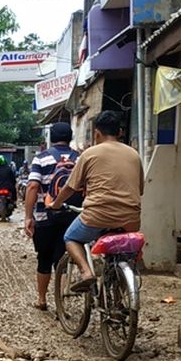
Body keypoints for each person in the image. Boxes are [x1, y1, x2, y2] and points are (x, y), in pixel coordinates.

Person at [49, 110, 144, 292]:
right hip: (131, 218)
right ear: (120, 132)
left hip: (97, 215)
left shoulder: (89, 154)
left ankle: (86, 272)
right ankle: (120, 300)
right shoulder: (134, 155)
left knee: (70, 238)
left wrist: (56, 204)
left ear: (97, 133)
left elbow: (70, 187)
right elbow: (140, 190)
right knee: (124, 257)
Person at [24, 122, 80, 310]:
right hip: (72, 217)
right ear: (70, 137)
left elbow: (32, 186)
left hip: (45, 216)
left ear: (51, 138)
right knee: (63, 258)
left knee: (44, 258)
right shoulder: (80, 159)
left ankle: (41, 299)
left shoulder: (41, 158)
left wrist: (28, 216)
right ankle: (61, 303)